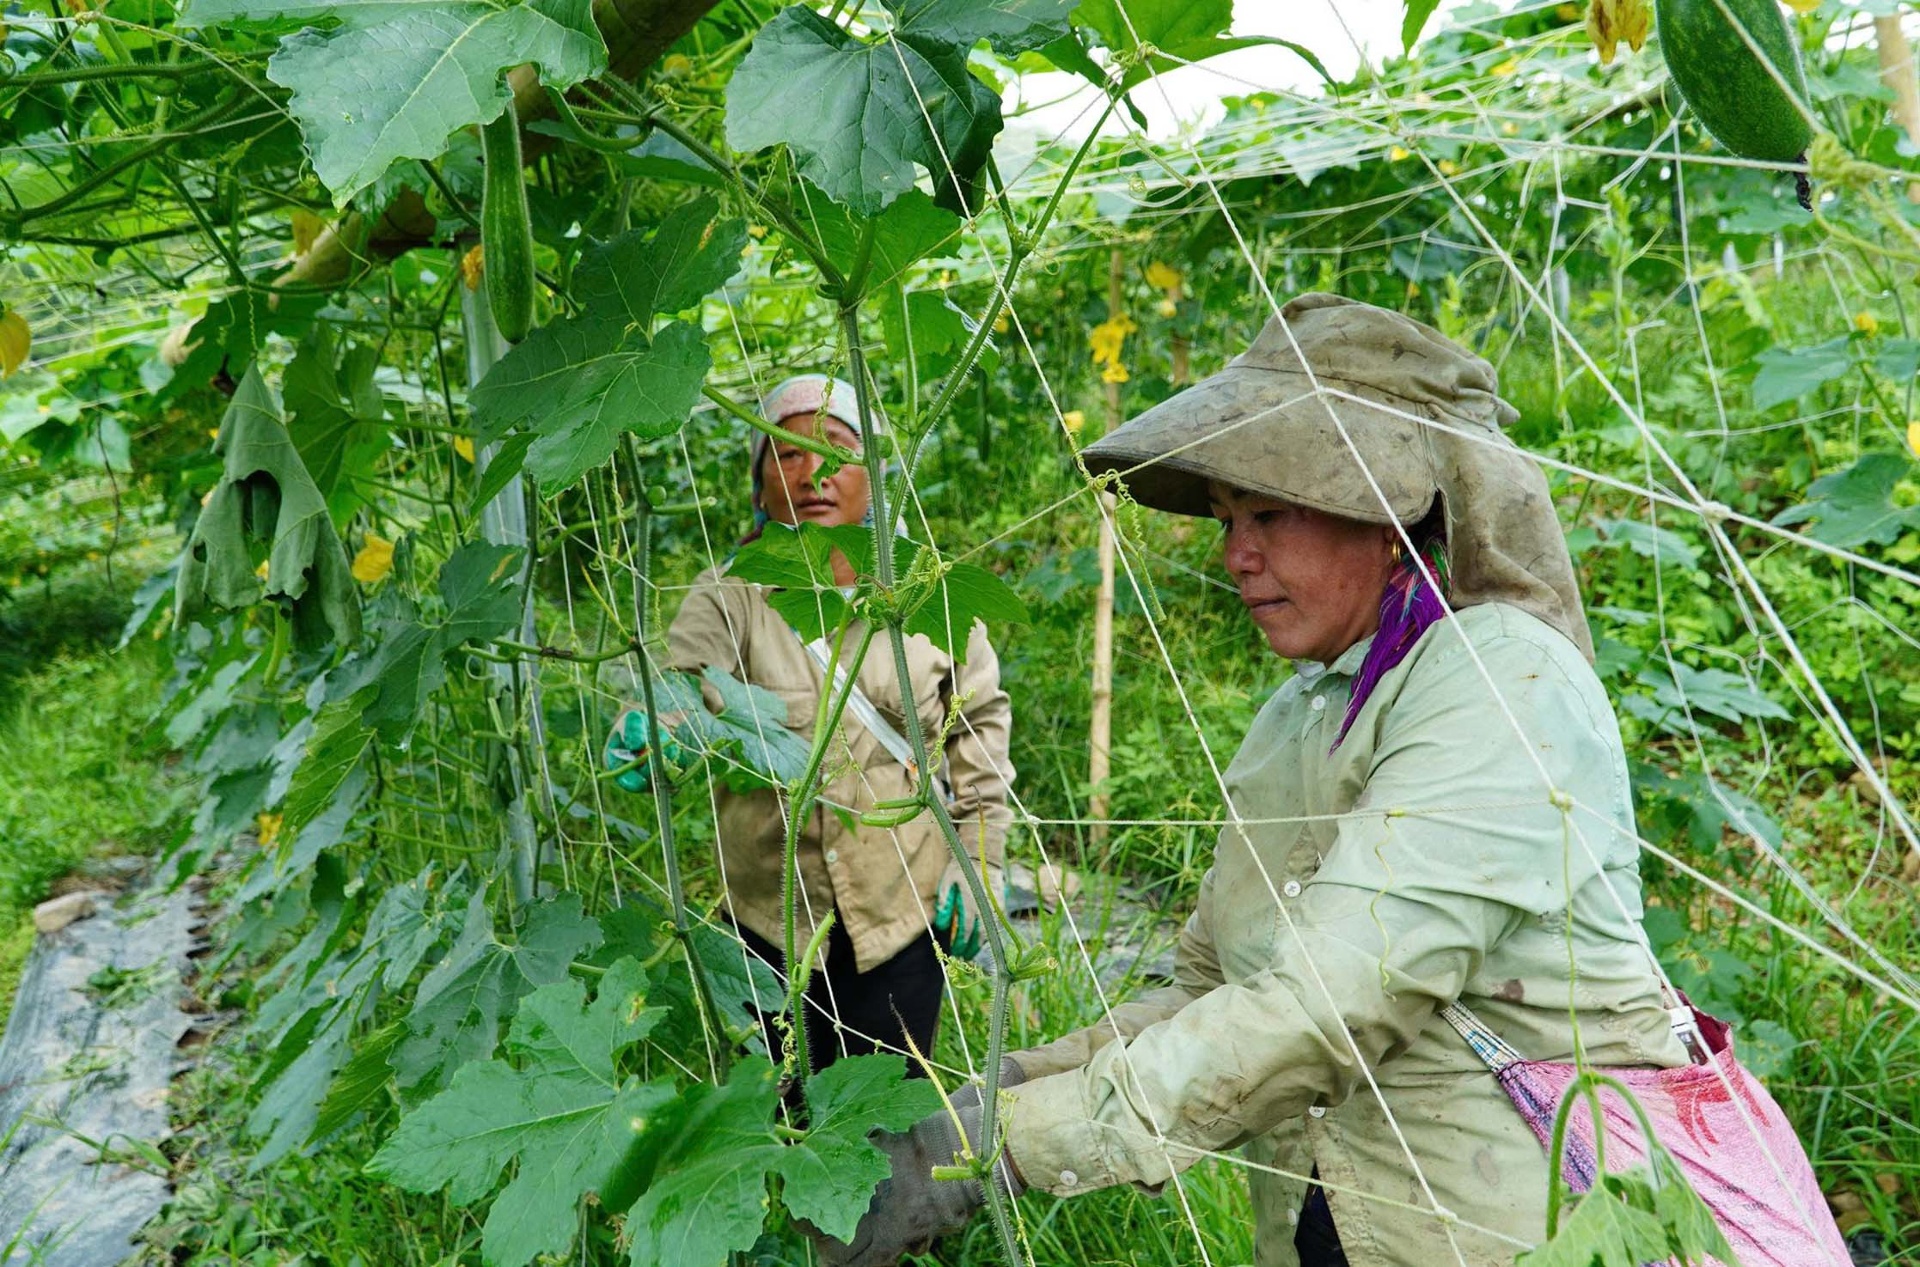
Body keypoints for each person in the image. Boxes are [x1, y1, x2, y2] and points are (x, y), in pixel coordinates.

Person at [820, 294, 1717, 1266]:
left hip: (1511, 1231)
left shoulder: (1502, 683)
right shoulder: (1305, 708)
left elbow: (1326, 1004)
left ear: (1391, 512)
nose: (1237, 557)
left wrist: (1000, 1149)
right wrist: (998, 1097)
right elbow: (1213, 989)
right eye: (1227, 519)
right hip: (1345, 1219)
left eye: (1271, 514)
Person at [604, 374, 1014, 1077]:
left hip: (900, 920)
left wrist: (979, 862)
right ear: (760, 486)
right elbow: (680, 681)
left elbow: (977, 726)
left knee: (890, 1130)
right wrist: (655, 724)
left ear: (876, 478)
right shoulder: (728, 596)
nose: (811, 470)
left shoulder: (931, 594)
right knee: (777, 1122)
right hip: (765, 928)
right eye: (785, 452)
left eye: (835, 447)